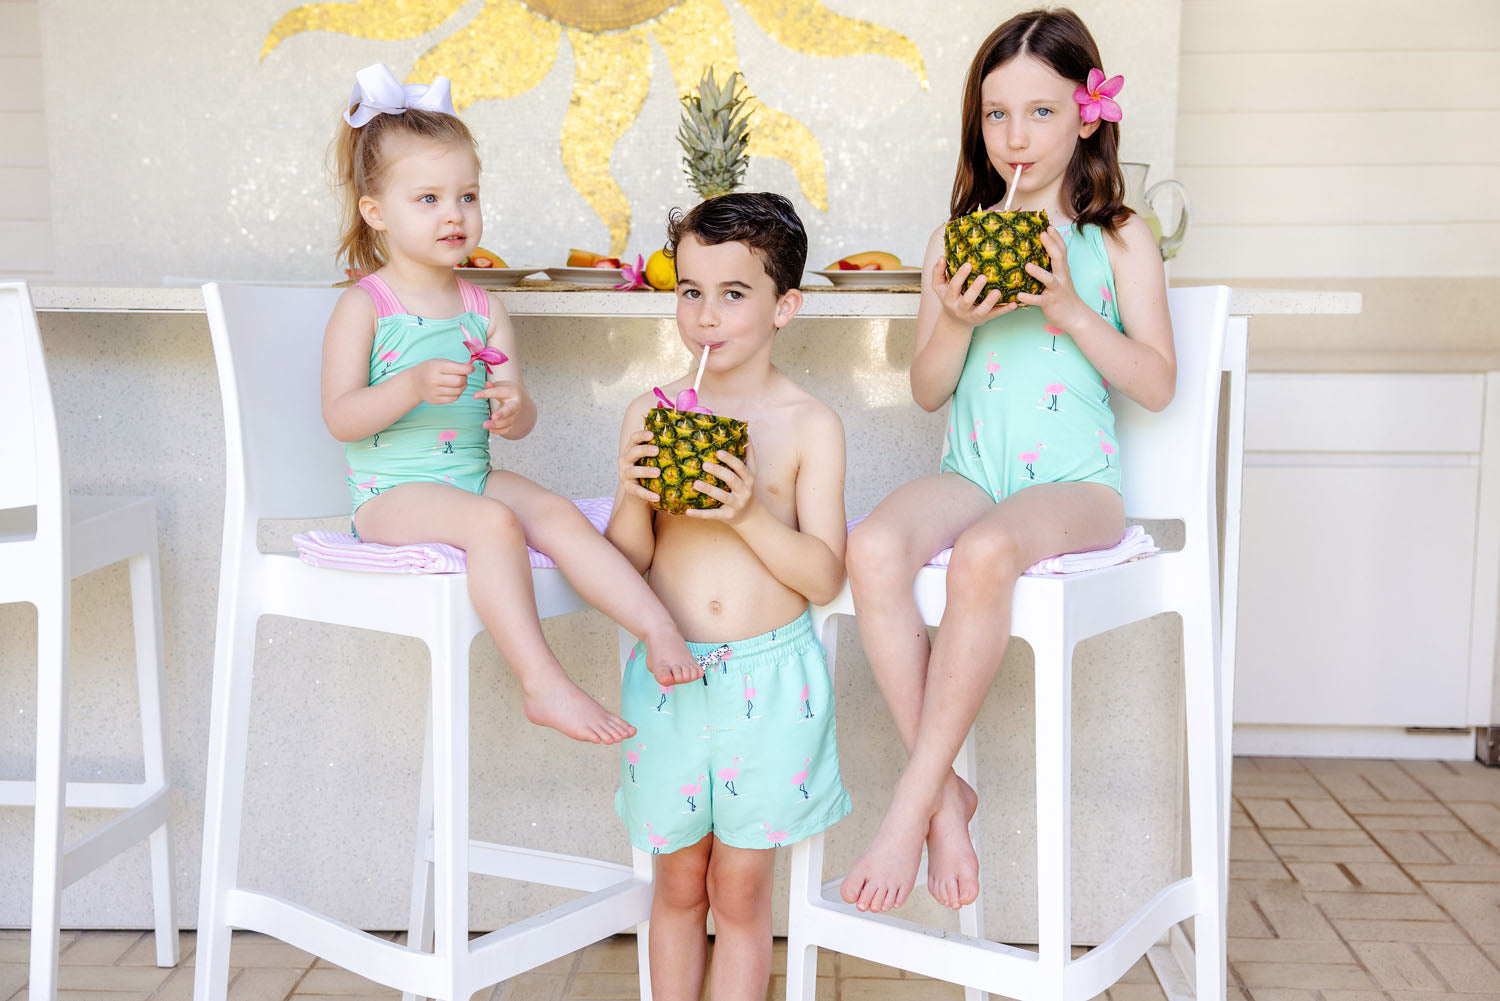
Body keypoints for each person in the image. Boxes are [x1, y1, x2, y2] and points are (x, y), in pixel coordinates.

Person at [839, 8, 1177, 914]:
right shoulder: (955, 241)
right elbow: (927, 389)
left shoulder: (1118, 237)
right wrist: (954, 317)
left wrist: (1068, 309)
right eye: (996, 115)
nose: (1015, 137)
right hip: (973, 472)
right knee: (872, 545)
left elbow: (1155, 382)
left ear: (1087, 118)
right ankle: (947, 799)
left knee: (987, 552)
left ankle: (913, 801)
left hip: (1076, 488)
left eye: (1040, 112)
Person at [320, 63, 700, 746]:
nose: (454, 214)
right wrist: (409, 386)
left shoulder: (483, 308)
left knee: (553, 511)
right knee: (494, 523)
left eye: (466, 196)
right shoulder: (367, 306)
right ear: (376, 212)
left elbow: (520, 423)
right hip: (391, 494)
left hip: (470, 474)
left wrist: (512, 408)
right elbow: (340, 416)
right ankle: (541, 682)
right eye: (429, 198)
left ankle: (655, 623)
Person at [607, 192, 851, 1001]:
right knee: (678, 885)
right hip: (669, 680)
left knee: (740, 893)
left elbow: (824, 575)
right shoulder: (652, 412)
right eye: (690, 291)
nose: (706, 315)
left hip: (771, 683)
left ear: (786, 306)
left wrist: (745, 512)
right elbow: (627, 561)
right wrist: (631, 491)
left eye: (734, 293)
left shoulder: (809, 423)